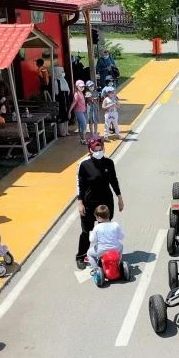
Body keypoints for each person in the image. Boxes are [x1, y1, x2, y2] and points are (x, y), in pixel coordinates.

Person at [75, 138, 124, 270]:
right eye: (95, 150)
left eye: (100, 149)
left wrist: (119, 198)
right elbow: (80, 185)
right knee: (86, 231)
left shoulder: (109, 162)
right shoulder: (83, 164)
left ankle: (105, 254)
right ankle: (81, 256)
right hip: (89, 202)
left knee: (105, 229)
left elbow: (114, 181)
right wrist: (80, 202)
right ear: (90, 150)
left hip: (105, 202)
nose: (98, 151)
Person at [87, 205, 124, 270]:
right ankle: (118, 262)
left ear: (99, 217)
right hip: (115, 249)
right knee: (121, 245)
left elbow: (92, 240)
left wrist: (91, 234)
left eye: (96, 217)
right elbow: (121, 237)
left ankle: (96, 269)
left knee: (89, 253)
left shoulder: (97, 227)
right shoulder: (115, 224)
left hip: (102, 250)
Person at [54, 66, 72, 137]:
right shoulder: (56, 81)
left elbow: (68, 91)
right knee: (61, 116)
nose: (62, 73)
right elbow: (56, 93)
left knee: (67, 115)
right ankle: (62, 132)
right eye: (61, 72)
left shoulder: (64, 80)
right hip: (60, 102)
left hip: (66, 101)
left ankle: (66, 131)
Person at [69, 79, 88, 145]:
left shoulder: (81, 93)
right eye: (80, 87)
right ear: (77, 87)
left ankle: (82, 139)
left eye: (83, 86)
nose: (82, 88)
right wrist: (69, 111)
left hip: (82, 111)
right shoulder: (76, 94)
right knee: (84, 124)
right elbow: (74, 103)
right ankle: (83, 139)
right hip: (78, 111)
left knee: (81, 125)